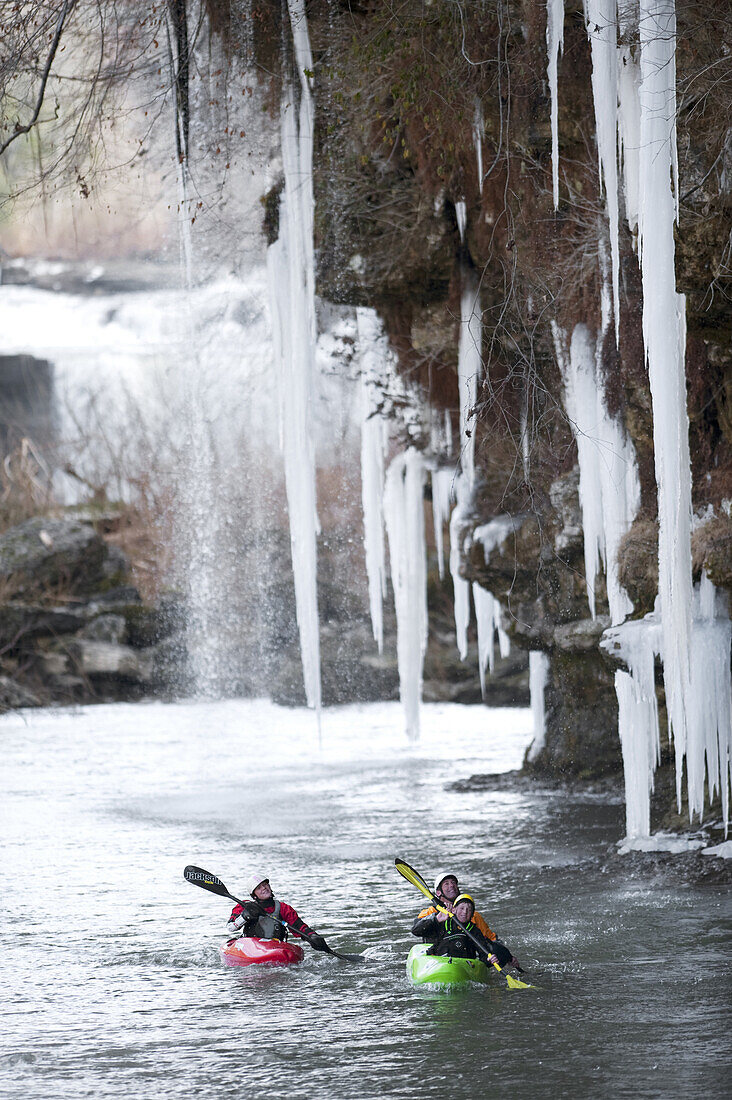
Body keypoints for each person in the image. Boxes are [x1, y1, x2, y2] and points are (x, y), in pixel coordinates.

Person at [411, 870, 519, 969]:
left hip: (463, 957)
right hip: (435, 958)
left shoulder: (473, 916)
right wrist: (436, 919)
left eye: (453, 882)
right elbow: (416, 930)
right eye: (447, 883)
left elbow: (491, 940)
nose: (452, 885)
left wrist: (505, 956)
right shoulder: (429, 913)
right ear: (438, 892)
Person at [226, 872, 327, 950]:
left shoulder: (283, 908)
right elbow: (231, 928)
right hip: (251, 946)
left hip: (274, 947)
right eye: (259, 888)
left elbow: (299, 927)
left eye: (265, 885)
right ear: (254, 895)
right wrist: (245, 916)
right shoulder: (244, 906)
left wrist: (312, 936)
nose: (264, 888)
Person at [416, 894, 507, 967]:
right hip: (439, 963)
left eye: (469, 909)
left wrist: (489, 960)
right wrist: (436, 920)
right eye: (462, 908)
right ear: (454, 910)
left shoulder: (475, 931)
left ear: (472, 914)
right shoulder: (443, 923)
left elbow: (483, 956)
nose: (465, 912)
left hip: (463, 966)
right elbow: (416, 931)